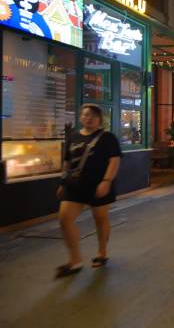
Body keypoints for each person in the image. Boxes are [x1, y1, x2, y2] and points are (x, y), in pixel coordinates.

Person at [55, 104, 122, 278]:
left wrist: (106, 181)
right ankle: (75, 260)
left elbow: (114, 161)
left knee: (100, 218)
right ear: (80, 117)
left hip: (98, 184)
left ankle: (102, 252)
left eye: (92, 115)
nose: (88, 118)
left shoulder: (108, 138)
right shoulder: (73, 137)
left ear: (99, 119)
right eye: (85, 115)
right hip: (75, 185)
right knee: (64, 219)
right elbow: (67, 163)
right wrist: (63, 182)